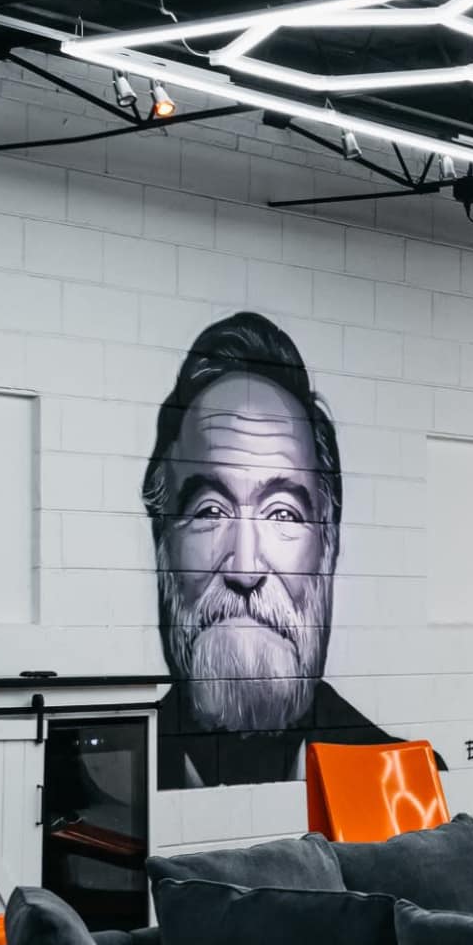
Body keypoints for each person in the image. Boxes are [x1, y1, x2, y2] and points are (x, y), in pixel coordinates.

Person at [142, 311, 390, 789]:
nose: (245, 566)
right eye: (210, 511)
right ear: (162, 541)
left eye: (282, 515)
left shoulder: (395, 783)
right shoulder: (115, 790)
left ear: (329, 546)